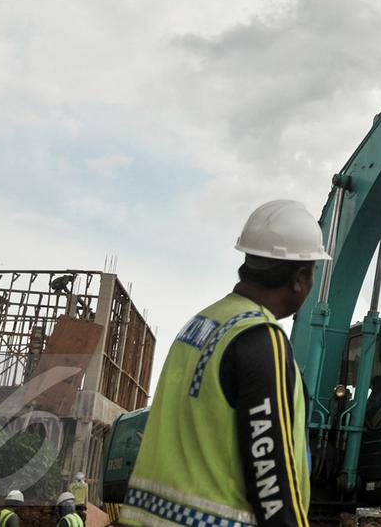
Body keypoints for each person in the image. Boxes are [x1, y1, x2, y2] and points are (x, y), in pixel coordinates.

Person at [120, 200, 329, 527]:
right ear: (300, 278)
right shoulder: (262, 338)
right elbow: (270, 473)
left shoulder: (202, 324)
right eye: (314, 271)